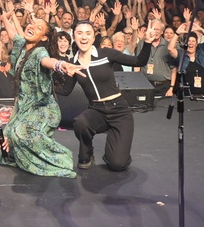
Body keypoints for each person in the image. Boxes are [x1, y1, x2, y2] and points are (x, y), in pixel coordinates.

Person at [56, 20, 151, 171]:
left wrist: (147, 42)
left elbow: (139, 60)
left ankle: (117, 147)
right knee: (80, 122)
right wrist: (46, 80)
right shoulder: (72, 63)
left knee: (117, 164)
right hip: (96, 111)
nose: (84, 37)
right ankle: (87, 152)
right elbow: (65, 90)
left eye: (88, 33)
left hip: (119, 111)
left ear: (94, 37)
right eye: (79, 33)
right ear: (74, 36)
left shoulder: (106, 54)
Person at [0, 13, 84, 178]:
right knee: (7, 134)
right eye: (32, 24)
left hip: (43, 109)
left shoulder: (40, 52)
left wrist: (61, 64)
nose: (31, 27)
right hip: (24, 107)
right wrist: (3, 19)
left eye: (38, 28)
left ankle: (61, 159)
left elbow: (47, 61)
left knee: (19, 134)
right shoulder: (22, 45)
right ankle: (25, 157)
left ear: (44, 37)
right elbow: (12, 34)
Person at [166, 24, 204, 97]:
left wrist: (200, 29)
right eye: (188, 41)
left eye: (193, 41)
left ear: (196, 43)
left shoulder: (202, 50)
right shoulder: (181, 54)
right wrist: (177, 33)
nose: (191, 43)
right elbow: (170, 48)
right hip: (189, 94)